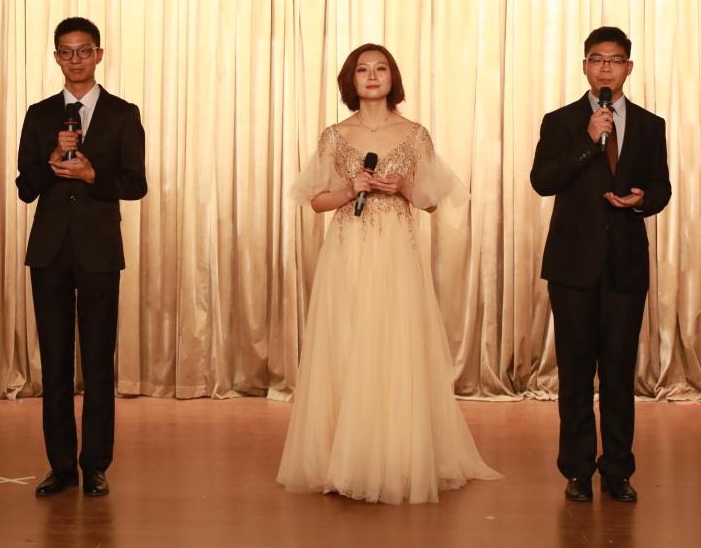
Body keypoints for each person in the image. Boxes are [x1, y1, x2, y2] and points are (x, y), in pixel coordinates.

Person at [277, 43, 500, 504]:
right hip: (347, 252)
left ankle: (395, 458)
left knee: (394, 345)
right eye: (363, 69)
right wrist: (348, 188)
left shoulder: (415, 135)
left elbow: (432, 202)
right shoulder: (335, 136)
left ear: (393, 77)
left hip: (397, 253)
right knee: (346, 343)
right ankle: (342, 460)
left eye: (381, 68)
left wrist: (403, 185)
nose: (372, 76)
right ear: (351, 80)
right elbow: (314, 200)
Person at [530, 26, 670, 503]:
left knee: (618, 373)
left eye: (614, 60)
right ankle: (576, 470)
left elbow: (662, 186)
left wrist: (641, 199)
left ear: (628, 67)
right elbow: (543, 180)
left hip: (625, 266)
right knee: (574, 372)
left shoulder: (650, 125)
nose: (605, 67)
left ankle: (617, 470)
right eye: (596, 59)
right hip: (572, 266)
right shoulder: (561, 121)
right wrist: (590, 140)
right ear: (585, 66)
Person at [16, 17, 147, 497]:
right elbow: (25, 187)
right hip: (49, 253)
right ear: (56, 58)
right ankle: (60, 467)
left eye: (84, 50)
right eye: (67, 52)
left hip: (98, 252)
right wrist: (52, 159)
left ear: (99, 54)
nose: (76, 59)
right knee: (54, 365)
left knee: (96, 364)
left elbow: (136, 184)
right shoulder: (39, 114)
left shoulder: (123, 113)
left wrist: (94, 176)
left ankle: (94, 465)